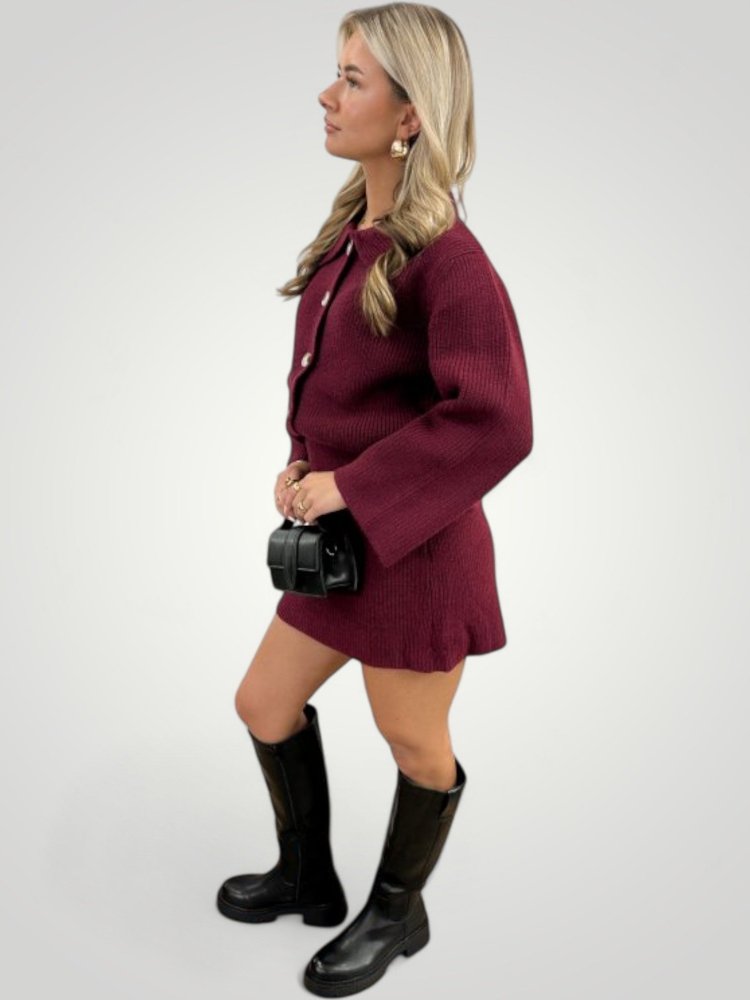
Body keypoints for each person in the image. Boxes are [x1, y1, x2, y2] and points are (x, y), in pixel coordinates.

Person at [216, 3, 534, 996]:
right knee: (264, 703)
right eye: (336, 72)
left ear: (410, 115)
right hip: (343, 553)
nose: (326, 94)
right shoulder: (351, 236)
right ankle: (307, 877)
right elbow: (343, 391)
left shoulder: (454, 263)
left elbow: (497, 422)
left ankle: (398, 915)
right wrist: (302, 468)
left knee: (414, 743)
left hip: (418, 555)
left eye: (351, 79)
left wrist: (350, 485)